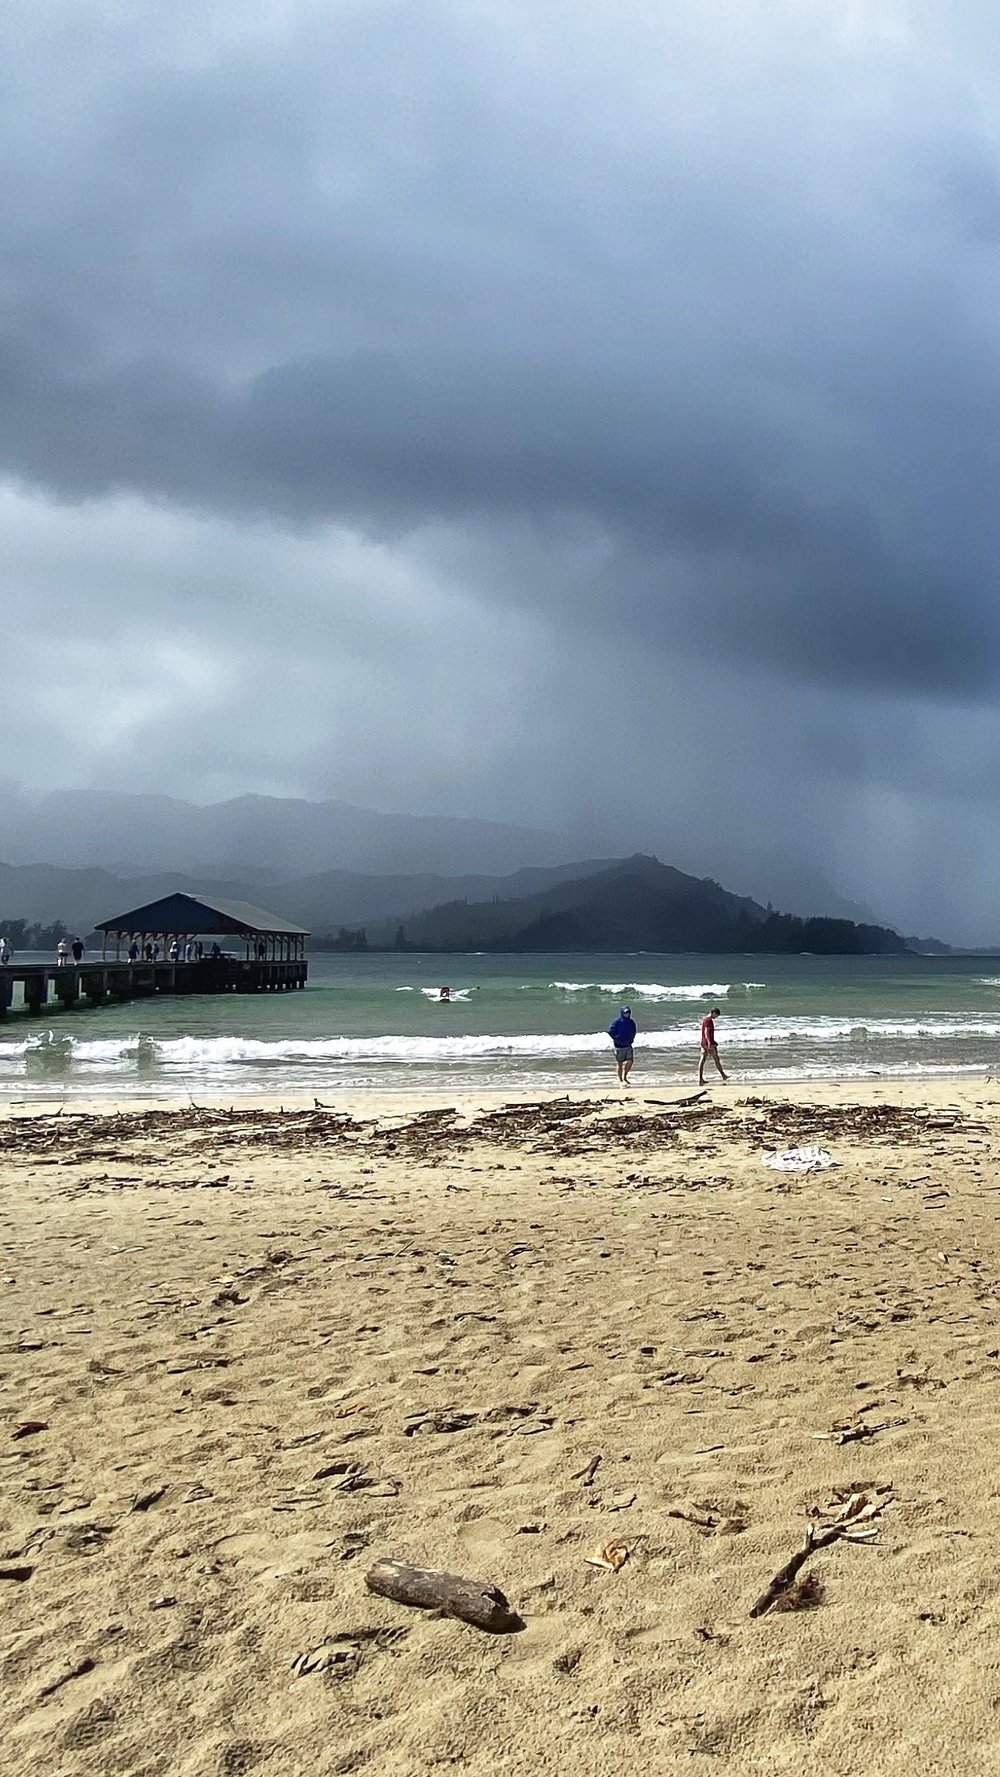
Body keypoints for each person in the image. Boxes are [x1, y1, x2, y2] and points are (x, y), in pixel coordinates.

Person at [607, 1003, 637, 1085]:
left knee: (630, 1061)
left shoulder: (631, 1022)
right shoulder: (617, 1022)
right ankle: (620, 1079)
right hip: (619, 1046)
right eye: (625, 1013)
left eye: (628, 1013)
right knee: (620, 1063)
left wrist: (632, 1038)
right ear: (622, 1013)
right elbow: (610, 1031)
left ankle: (625, 1076)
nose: (626, 1014)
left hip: (628, 1045)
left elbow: (634, 1030)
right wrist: (617, 1037)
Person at [699, 1006, 728, 1084]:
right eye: (716, 1015)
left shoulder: (705, 1019)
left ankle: (701, 1079)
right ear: (713, 1013)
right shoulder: (709, 1020)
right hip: (709, 1043)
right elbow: (707, 1032)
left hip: (704, 1042)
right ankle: (723, 1076)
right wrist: (709, 1044)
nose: (716, 1017)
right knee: (715, 1059)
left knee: (704, 1059)